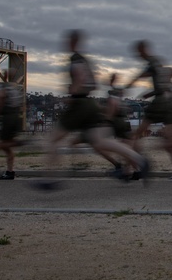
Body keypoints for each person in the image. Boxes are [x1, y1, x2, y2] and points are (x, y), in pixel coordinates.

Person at [39, 30, 149, 189]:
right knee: (100, 141)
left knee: (52, 139)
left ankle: (50, 177)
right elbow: (95, 85)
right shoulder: (87, 61)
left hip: (80, 103)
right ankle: (139, 160)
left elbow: (80, 78)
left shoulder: (75, 59)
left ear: (73, 42)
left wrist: (72, 92)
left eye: (68, 41)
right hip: (90, 104)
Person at [0, 70, 24, 180]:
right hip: (15, 118)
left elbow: (0, 101)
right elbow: (21, 104)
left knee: (2, 145)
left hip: (8, 118)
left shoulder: (4, 88)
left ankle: (20, 143)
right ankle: (10, 171)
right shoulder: (15, 89)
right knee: (6, 147)